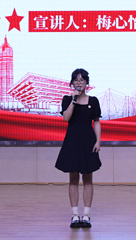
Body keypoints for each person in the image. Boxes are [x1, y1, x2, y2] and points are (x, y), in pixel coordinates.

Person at [55, 68, 101, 229]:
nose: (79, 83)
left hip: (88, 142)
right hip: (72, 142)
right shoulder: (67, 99)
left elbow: (96, 122)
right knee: (73, 179)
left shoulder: (93, 100)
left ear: (87, 83)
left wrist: (98, 141)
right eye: (76, 80)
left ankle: (86, 215)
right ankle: (75, 215)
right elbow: (66, 118)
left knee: (88, 179)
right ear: (72, 83)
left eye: (82, 80)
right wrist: (74, 100)